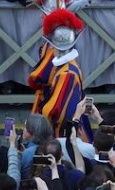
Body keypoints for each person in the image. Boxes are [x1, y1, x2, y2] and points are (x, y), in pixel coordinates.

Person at [28, 9, 87, 140]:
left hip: (62, 131)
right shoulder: (67, 66)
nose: (52, 48)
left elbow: (58, 109)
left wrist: (42, 114)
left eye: (54, 46)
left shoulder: (67, 72)